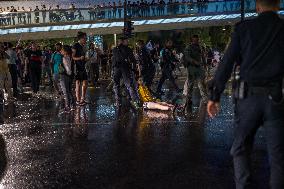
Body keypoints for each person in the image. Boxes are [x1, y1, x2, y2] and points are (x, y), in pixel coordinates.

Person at [207, 0, 284, 188]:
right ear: (278, 5)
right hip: (277, 99)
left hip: (248, 99)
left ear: (257, 6)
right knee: (278, 156)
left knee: (241, 149)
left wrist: (214, 95)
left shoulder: (244, 29)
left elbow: (227, 63)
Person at [112, 36, 140, 109]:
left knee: (116, 85)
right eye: (126, 41)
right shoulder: (128, 49)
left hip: (116, 68)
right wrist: (134, 68)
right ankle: (134, 101)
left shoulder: (115, 49)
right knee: (129, 84)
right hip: (125, 68)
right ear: (123, 41)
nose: (127, 42)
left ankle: (118, 102)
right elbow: (132, 59)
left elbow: (114, 60)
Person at [183, 35, 208, 114]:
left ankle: (205, 99)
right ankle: (189, 98)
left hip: (199, 68)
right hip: (191, 68)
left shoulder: (200, 47)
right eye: (194, 40)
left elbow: (203, 56)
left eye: (197, 40)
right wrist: (194, 62)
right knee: (190, 84)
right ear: (192, 40)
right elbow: (187, 57)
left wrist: (205, 66)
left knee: (201, 84)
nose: (196, 41)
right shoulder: (188, 48)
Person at [72, 32, 88, 106]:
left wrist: (85, 59)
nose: (86, 39)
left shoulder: (83, 46)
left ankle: (83, 99)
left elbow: (82, 57)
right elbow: (72, 57)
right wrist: (80, 58)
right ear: (81, 38)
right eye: (85, 38)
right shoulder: (75, 45)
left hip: (82, 66)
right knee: (78, 83)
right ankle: (78, 100)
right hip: (77, 67)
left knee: (85, 83)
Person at [59, 45, 74, 113]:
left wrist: (68, 72)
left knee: (65, 92)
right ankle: (72, 106)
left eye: (62, 50)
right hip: (70, 77)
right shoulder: (70, 57)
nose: (61, 51)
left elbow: (67, 69)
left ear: (65, 51)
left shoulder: (64, 58)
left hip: (64, 76)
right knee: (69, 91)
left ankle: (67, 107)